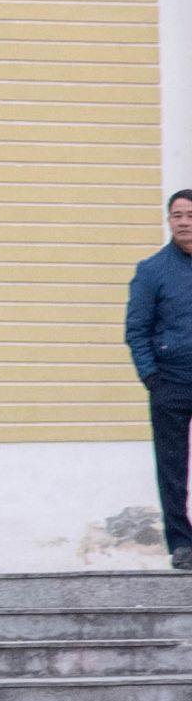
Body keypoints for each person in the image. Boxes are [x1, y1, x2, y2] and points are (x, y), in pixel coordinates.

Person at [128, 186, 192, 569]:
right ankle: (182, 544)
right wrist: (152, 376)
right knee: (171, 465)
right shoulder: (152, 271)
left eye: (191, 216)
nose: (184, 223)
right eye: (178, 216)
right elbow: (136, 330)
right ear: (169, 221)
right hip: (170, 382)